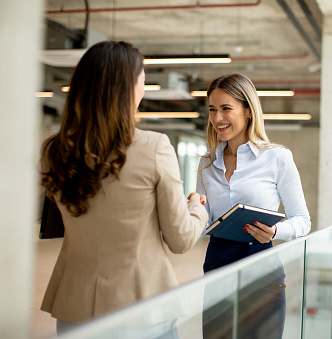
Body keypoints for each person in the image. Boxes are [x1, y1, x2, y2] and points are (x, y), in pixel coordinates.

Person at [39, 41, 208, 337]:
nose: (143, 88)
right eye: (142, 79)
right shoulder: (155, 147)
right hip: (142, 309)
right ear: (129, 87)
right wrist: (197, 207)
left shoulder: (55, 150)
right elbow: (180, 240)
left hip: (73, 307)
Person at [196, 73, 311, 338]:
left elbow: (302, 220)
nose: (217, 118)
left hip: (261, 264)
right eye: (212, 109)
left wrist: (275, 232)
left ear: (248, 110)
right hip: (217, 264)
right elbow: (202, 222)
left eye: (226, 108)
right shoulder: (206, 164)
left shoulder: (277, 158)